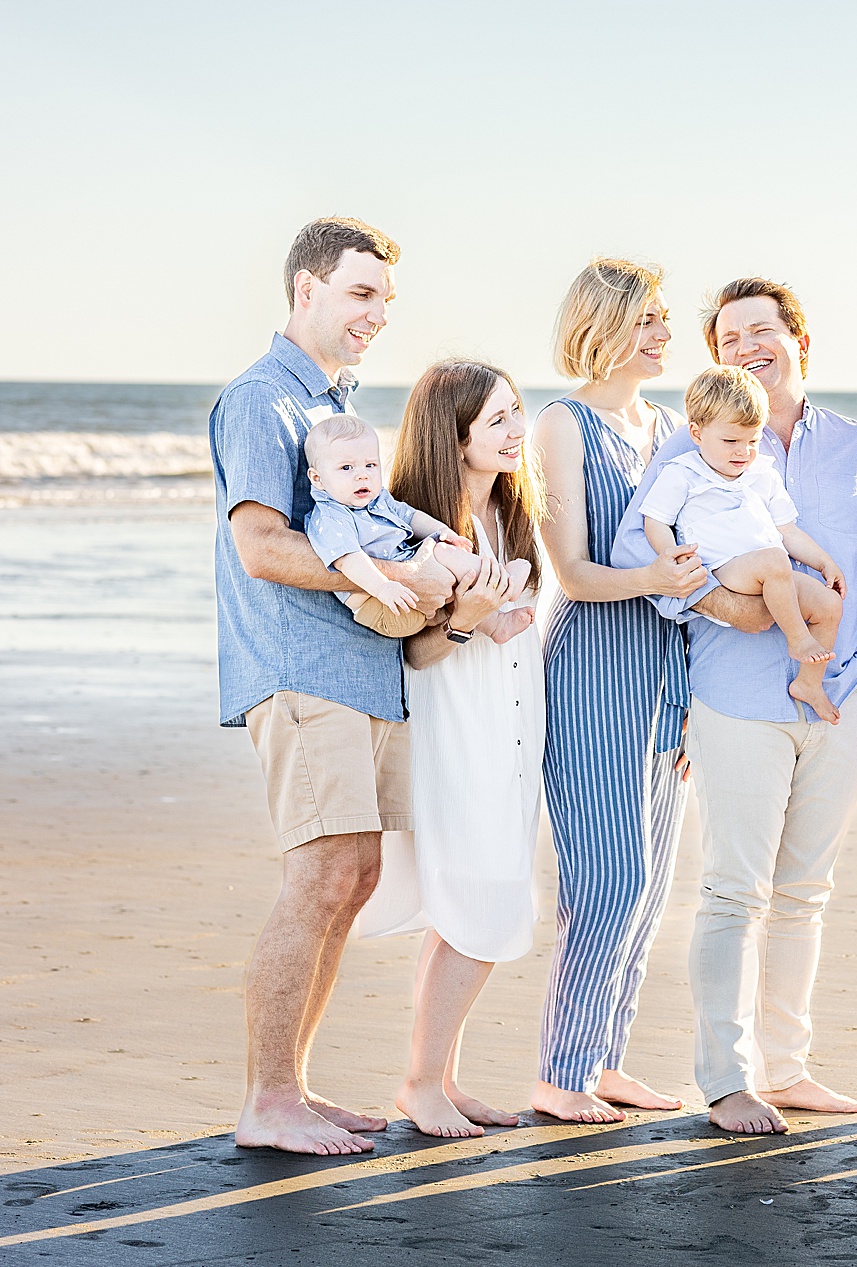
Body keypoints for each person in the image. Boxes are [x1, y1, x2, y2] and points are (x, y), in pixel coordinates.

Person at [615, 277, 857, 1134]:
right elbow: (645, 553)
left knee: (806, 890)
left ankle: (788, 1066)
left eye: (761, 331)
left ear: (798, 338)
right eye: (729, 338)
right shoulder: (691, 447)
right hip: (736, 699)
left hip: (839, 700)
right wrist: (729, 606)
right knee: (734, 891)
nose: (746, 348)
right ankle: (728, 1078)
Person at [214, 216, 453, 1155]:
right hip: (301, 667)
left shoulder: (332, 403)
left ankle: (294, 1089)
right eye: (362, 294)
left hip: (362, 670)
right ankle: (268, 1099)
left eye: (387, 300)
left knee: (354, 877)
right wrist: (389, 578)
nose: (378, 315)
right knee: (318, 874)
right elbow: (261, 545)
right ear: (306, 288)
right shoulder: (261, 399)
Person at [530, 258, 708, 1124]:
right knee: (607, 875)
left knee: (652, 882)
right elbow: (570, 570)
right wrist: (663, 581)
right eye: (648, 319)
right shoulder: (561, 423)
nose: (665, 334)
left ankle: (605, 1058)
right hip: (592, 661)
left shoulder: (672, 425)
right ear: (602, 323)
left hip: (666, 672)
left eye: (666, 319)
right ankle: (561, 1071)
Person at [353, 360, 546, 1137]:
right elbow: (412, 650)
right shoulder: (410, 525)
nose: (515, 430)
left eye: (517, 413)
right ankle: (422, 1083)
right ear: (454, 433)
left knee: (470, 902)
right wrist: (465, 617)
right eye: (498, 418)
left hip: (513, 720)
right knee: (481, 894)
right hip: (454, 719)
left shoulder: (507, 513)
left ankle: (438, 1077)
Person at [640, 366, 846, 722]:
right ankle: (798, 640)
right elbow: (654, 520)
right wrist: (669, 556)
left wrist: (824, 562)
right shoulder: (682, 473)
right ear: (697, 433)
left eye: (752, 441)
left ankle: (809, 683)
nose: (743, 452)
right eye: (730, 441)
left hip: (772, 573)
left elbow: (789, 532)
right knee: (772, 562)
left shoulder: (761, 474)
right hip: (726, 569)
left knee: (829, 605)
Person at [301, 412, 529, 640]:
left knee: (449, 566)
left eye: (370, 465)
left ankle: (496, 624)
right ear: (317, 478)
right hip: (381, 606)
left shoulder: (377, 499)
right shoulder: (331, 516)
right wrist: (383, 587)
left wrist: (442, 531)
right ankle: (505, 584)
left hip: (406, 596)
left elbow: (410, 516)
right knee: (441, 554)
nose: (362, 476)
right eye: (346, 468)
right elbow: (348, 560)